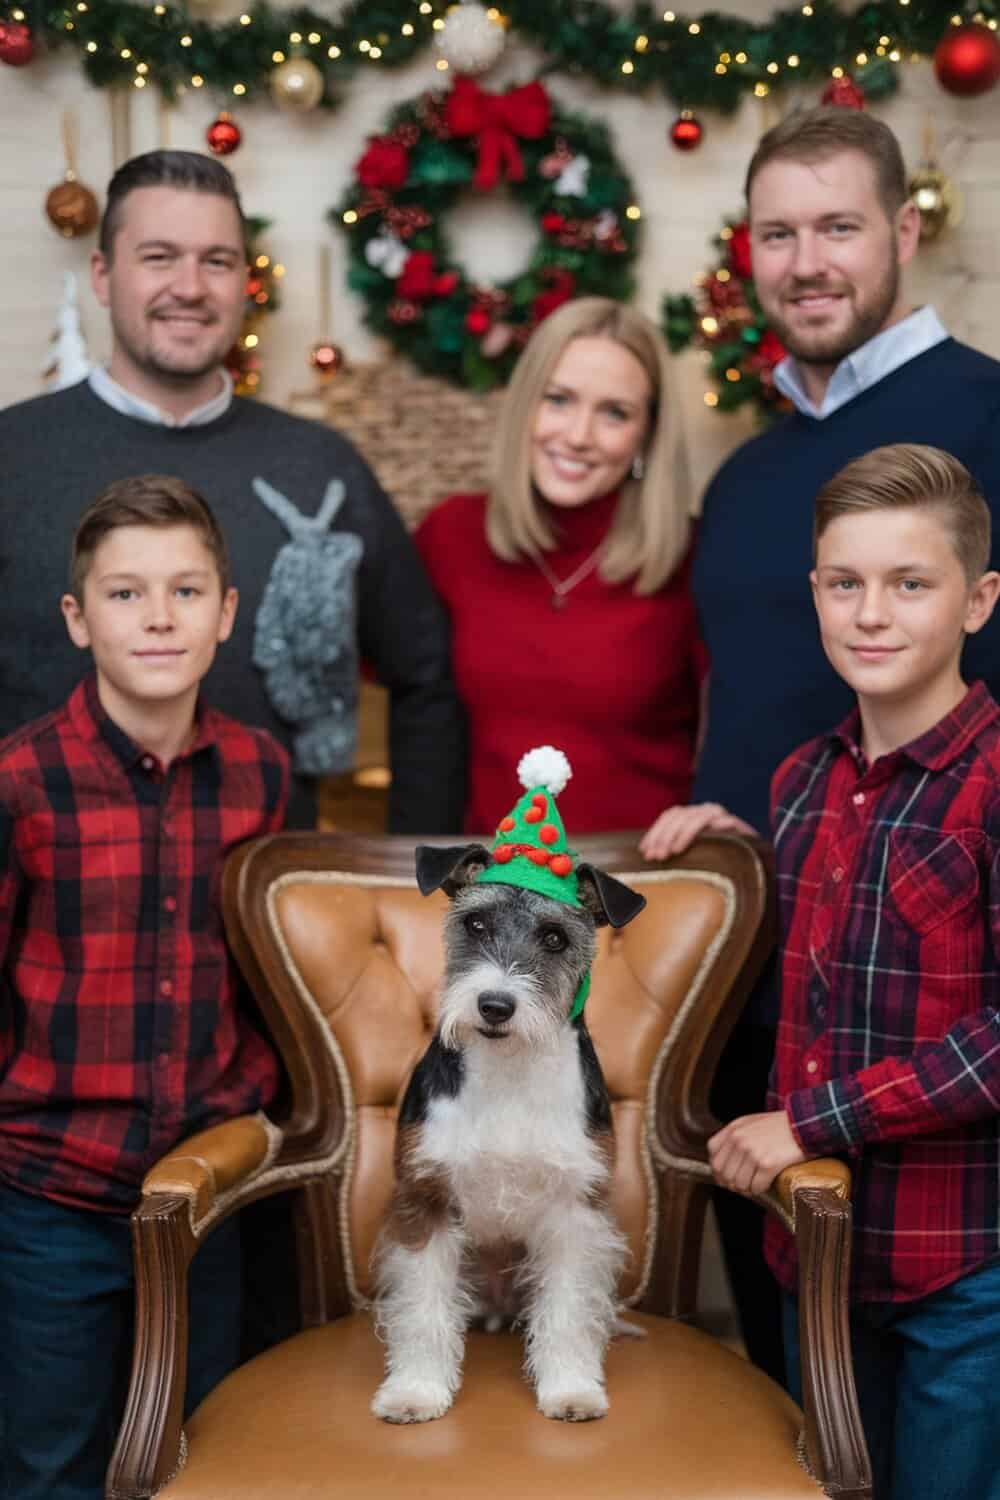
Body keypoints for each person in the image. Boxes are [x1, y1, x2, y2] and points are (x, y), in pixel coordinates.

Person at [639, 105, 1000, 1384]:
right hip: (759, 995)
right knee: (796, 1404)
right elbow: (748, 701)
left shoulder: (986, 416)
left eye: (838, 226)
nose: (806, 262)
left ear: (905, 231)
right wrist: (724, 813)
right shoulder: (744, 479)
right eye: (777, 232)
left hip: (935, 1016)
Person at [0, 148, 465, 833]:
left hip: (262, 908)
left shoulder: (321, 469)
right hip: (52, 911)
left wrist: (410, 877)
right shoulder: (14, 456)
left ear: (246, 280)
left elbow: (427, 678)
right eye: (159, 257)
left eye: (217, 261)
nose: (190, 287)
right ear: (102, 275)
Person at [710, 444, 1000, 1500]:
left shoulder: (995, 784)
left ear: (977, 601)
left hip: (965, 1275)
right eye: (846, 583)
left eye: (909, 583)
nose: (870, 614)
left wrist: (811, 1122)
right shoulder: (799, 786)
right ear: (816, 595)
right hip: (817, 1272)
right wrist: (719, 851)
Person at [0, 475, 290, 1500]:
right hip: (52, 1194)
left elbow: (274, 980)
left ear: (226, 611)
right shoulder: (21, 781)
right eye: (125, 595)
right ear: (78, 619)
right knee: (49, 1459)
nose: (158, 617)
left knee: (198, 1451)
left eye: (184, 590)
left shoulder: (262, 772)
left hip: (205, 1192)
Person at [415, 296, 702, 835]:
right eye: (559, 400)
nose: (577, 436)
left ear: (647, 434)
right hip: (486, 890)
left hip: (640, 891)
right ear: (526, 406)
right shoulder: (451, 536)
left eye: (614, 412)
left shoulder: (693, 556)